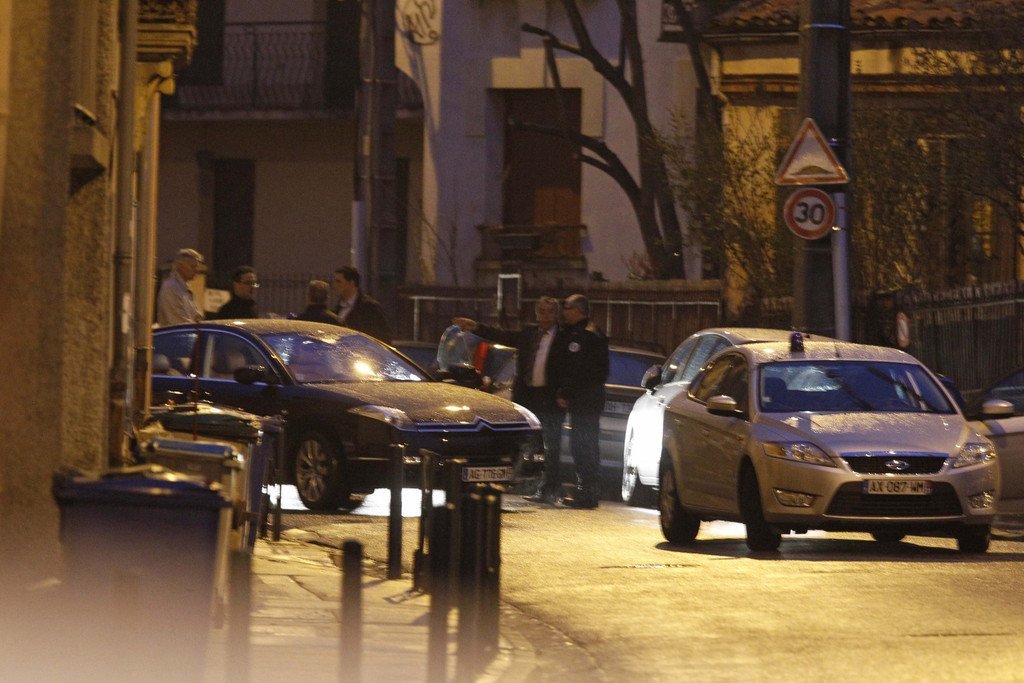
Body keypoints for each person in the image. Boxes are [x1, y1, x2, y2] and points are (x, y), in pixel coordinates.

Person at [452, 296, 566, 504]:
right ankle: (523, 482)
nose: (545, 316)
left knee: (552, 444)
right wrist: (476, 327)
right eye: (542, 311)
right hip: (528, 396)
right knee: (525, 442)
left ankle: (551, 488)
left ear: (556, 314)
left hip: (550, 399)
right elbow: (502, 335)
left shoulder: (563, 337)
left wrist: (563, 393)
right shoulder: (529, 334)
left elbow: (570, 368)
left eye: (550, 311)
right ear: (536, 313)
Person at [551, 293, 609, 509]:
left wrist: (565, 392)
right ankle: (586, 489)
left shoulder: (586, 335)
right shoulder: (578, 332)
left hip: (586, 397)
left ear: (577, 310)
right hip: (585, 397)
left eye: (567, 308)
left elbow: (580, 369)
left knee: (584, 444)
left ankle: (587, 492)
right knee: (582, 442)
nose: (563, 312)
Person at [332, 265, 392, 343]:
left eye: (339, 282)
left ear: (351, 283)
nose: (334, 285)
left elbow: (383, 335)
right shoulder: (338, 308)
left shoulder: (369, 308)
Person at [156, 248, 204, 327]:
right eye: (193, 266)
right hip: (176, 334)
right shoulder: (170, 287)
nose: (196, 270)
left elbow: (197, 317)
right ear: (180, 266)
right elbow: (179, 323)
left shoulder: (185, 288)